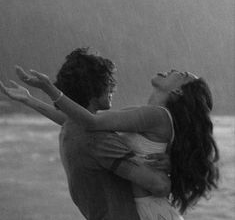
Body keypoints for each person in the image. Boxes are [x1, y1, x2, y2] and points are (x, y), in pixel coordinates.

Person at [10, 65, 219, 219]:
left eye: (181, 75)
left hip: (149, 212)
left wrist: (49, 88)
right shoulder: (150, 117)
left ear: (178, 91)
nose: (174, 69)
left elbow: (90, 121)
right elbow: (76, 123)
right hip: (146, 210)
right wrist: (29, 100)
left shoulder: (156, 115)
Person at [0, 48, 171, 220]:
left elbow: (69, 119)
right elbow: (159, 185)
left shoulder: (71, 130)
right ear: (93, 87)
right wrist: (174, 171)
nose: (113, 86)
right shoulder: (98, 139)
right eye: (108, 81)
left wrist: (29, 99)